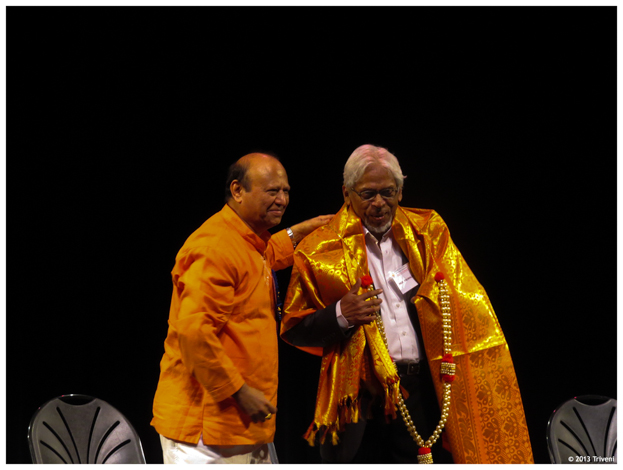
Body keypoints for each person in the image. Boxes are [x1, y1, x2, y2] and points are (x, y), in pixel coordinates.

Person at [281, 144, 534, 464]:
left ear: (400, 192)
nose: (379, 203)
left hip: (420, 390)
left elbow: (465, 304)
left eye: (388, 192)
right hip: (360, 398)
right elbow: (294, 327)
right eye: (367, 194)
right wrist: (342, 314)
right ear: (346, 193)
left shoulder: (427, 233)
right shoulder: (319, 249)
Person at [151, 152, 332, 464]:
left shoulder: (247, 240)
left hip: (241, 425)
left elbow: (263, 256)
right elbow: (194, 334)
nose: (282, 200)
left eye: (286, 191)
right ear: (237, 190)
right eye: (272, 191)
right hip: (203, 433)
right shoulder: (214, 248)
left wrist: (299, 232)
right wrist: (240, 391)